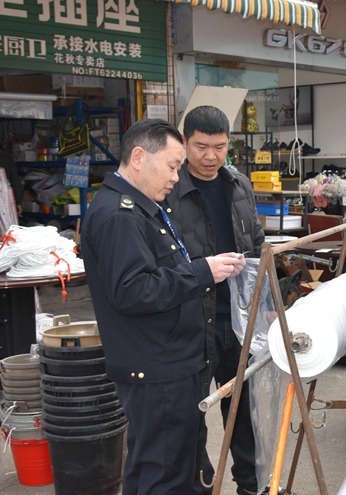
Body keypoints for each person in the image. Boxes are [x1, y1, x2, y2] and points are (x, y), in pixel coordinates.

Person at [81, 119, 245, 495]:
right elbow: (133, 291)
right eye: (172, 166)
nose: (176, 177)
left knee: (159, 464)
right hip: (156, 367)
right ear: (139, 157)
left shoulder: (141, 208)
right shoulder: (120, 216)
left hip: (168, 362)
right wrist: (201, 272)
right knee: (165, 473)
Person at [164, 106, 266, 495]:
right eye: (201, 147)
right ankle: (198, 485)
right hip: (190, 320)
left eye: (220, 147)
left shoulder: (238, 184)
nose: (210, 157)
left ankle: (250, 485)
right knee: (189, 413)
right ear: (184, 142)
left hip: (238, 318)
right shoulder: (168, 189)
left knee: (242, 411)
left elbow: (256, 245)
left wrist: (267, 302)